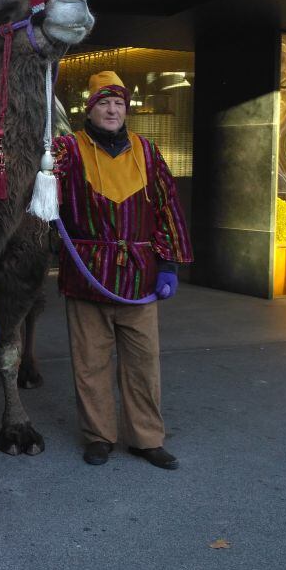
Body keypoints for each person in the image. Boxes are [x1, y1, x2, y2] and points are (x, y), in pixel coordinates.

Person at [53, 71, 193, 470]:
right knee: (90, 361)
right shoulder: (66, 150)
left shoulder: (148, 152)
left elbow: (168, 208)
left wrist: (168, 265)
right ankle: (99, 436)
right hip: (87, 275)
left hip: (139, 278)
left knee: (144, 363)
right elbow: (43, 194)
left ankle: (147, 438)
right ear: (90, 108)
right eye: (103, 102)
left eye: (118, 103)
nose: (112, 109)